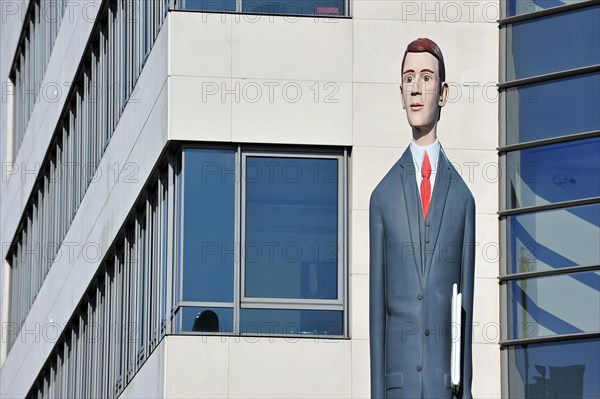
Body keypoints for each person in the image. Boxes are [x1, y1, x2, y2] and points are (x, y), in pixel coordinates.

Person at [369, 38, 475, 399]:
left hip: (445, 389)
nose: (416, 87)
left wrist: (467, 391)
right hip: (397, 389)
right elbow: (377, 316)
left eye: (427, 78)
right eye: (408, 78)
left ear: (443, 93)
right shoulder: (382, 197)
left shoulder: (463, 199)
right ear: (400, 92)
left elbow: (465, 309)